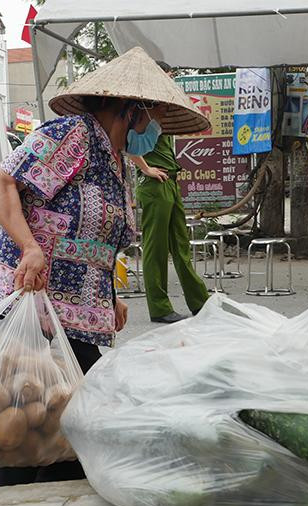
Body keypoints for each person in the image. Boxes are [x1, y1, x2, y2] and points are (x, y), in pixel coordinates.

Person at [0, 47, 209, 486]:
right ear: (131, 108)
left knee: (62, 424)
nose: (155, 125)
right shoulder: (72, 137)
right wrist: (28, 247)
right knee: (31, 425)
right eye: (153, 112)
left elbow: (93, 237)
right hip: (31, 305)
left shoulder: (115, 158)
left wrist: (112, 295)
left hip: (73, 316)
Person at [128, 60, 209, 324]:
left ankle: (200, 301)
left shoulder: (160, 107)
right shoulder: (142, 106)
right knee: (156, 247)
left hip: (170, 181)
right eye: (168, 75)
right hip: (154, 184)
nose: (170, 79)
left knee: (180, 244)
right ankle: (160, 307)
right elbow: (128, 143)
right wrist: (147, 168)